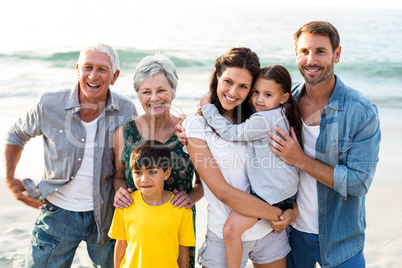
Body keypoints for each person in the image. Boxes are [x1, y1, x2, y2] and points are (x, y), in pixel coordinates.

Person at [4, 43, 138, 267]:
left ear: (114, 76)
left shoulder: (126, 111)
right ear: (78, 69)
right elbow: (17, 134)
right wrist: (9, 177)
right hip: (57, 214)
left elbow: (139, 157)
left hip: (106, 216)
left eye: (102, 69)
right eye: (87, 67)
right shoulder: (49, 104)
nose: (93, 75)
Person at [268, 21, 381, 268]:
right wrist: (193, 124)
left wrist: (300, 159)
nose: (311, 60)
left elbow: (359, 183)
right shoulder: (283, 105)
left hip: (342, 239)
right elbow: (239, 123)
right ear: (296, 54)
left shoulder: (361, 112)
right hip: (292, 234)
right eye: (304, 51)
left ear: (336, 54)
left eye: (320, 51)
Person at [182, 47, 296, 268]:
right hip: (227, 236)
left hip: (271, 233)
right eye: (228, 82)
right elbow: (222, 192)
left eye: (244, 86)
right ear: (217, 77)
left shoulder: (258, 118)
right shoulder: (196, 125)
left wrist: (293, 211)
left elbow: (287, 170)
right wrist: (278, 213)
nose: (233, 92)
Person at [112, 53, 203, 268]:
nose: (154, 98)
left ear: (173, 92)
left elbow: (205, 182)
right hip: (138, 228)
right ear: (138, 95)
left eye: (161, 90)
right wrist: (121, 192)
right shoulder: (123, 134)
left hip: (177, 227)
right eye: (146, 92)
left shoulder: (190, 131)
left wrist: (191, 198)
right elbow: (117, 176)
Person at [108, 140, 195, 268]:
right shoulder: (126, 205)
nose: (144, 179)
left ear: (167, 173)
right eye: (138, 172)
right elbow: (121, 244)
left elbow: (183, 249)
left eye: (152, 172)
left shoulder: (181, 209)